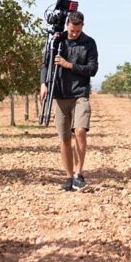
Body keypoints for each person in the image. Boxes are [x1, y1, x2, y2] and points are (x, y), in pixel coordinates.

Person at [40, 11, 98, 191]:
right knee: (64, 138)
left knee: (80, 131)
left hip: (80, 94)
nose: (74, 33)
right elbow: (45, 64)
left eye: (77, 31)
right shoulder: (57, 41)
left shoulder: (89, 43)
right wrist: (43, 84)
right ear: (67, 25)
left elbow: (92, 69)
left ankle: (79, 174)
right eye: (72, 30)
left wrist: (69, 65)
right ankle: (68, 177)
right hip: (60, 95)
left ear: (82, 26)